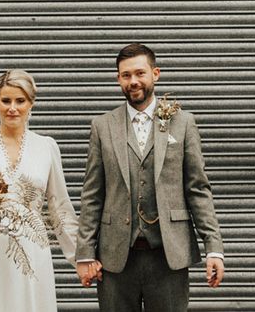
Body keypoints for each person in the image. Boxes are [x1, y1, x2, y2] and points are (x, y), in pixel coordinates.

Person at [75, 43, 224, 311]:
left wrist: (213, 247)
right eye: (126, 75)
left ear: (155, 73)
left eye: (140, 73)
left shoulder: (183, 122)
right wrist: (85, 252)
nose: (133, 81)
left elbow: (198, 189)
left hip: (168, 255)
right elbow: (92, 195)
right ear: (118, 79)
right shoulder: (102, 126)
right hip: (115, 257)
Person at [0, 69, 78, 312]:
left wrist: (79, 257)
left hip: (32, 252)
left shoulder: (47, 147)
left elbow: (59, 206)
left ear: (31, 104)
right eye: (6, 100)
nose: (12, 108)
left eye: (20, 101)